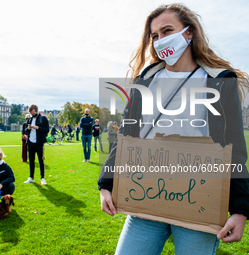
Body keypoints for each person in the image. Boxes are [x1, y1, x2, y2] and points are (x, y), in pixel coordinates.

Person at [98, 4, 249, 254]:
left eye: (167, 31)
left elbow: (234, 147)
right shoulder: (145, 80)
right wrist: (106, 182)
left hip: (200, 198)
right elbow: (125, 134)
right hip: (145, 193)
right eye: (155, 35)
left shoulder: (219, 80)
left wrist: (241, 209)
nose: (160, 40)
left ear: (189, 33)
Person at [23, 104, 49, 185]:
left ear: (36, 110)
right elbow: (26, 129)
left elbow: (47, 130)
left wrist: (37, 127)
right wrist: (29, 128)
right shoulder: (30, 119)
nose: (32, 115)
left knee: (41, 160)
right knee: (31, 160)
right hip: (30, 142)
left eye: (33, 113)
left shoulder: (43, 118)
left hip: (39, 142)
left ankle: (42, 178)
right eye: (31, 113)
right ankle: (31, 177)